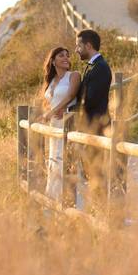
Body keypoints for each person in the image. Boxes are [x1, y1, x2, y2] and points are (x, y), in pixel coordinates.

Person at [73, 29, 113, 206]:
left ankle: (104, 208)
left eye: (79, 46)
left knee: (97, 170)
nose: (76, 50)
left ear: (88, 45)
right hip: (89, 127)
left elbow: (89, 100)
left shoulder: (101, 68)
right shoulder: (93, 66)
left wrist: (69, 110)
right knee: (91, 169)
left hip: (96, 126)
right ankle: (98, 206)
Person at [40, 46, 80, 201]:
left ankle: (69, 202)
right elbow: (47, 102)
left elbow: (70, 95)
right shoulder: (50, 81)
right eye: (61, 56)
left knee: (66, 160)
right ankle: (54, 201)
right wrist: (45, 114)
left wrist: (55, 110)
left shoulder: (74, 75)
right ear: (53, 61)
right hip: (53, 125)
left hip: (67, 122)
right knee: (54, 160)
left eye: (67, 56)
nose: (66, 58)